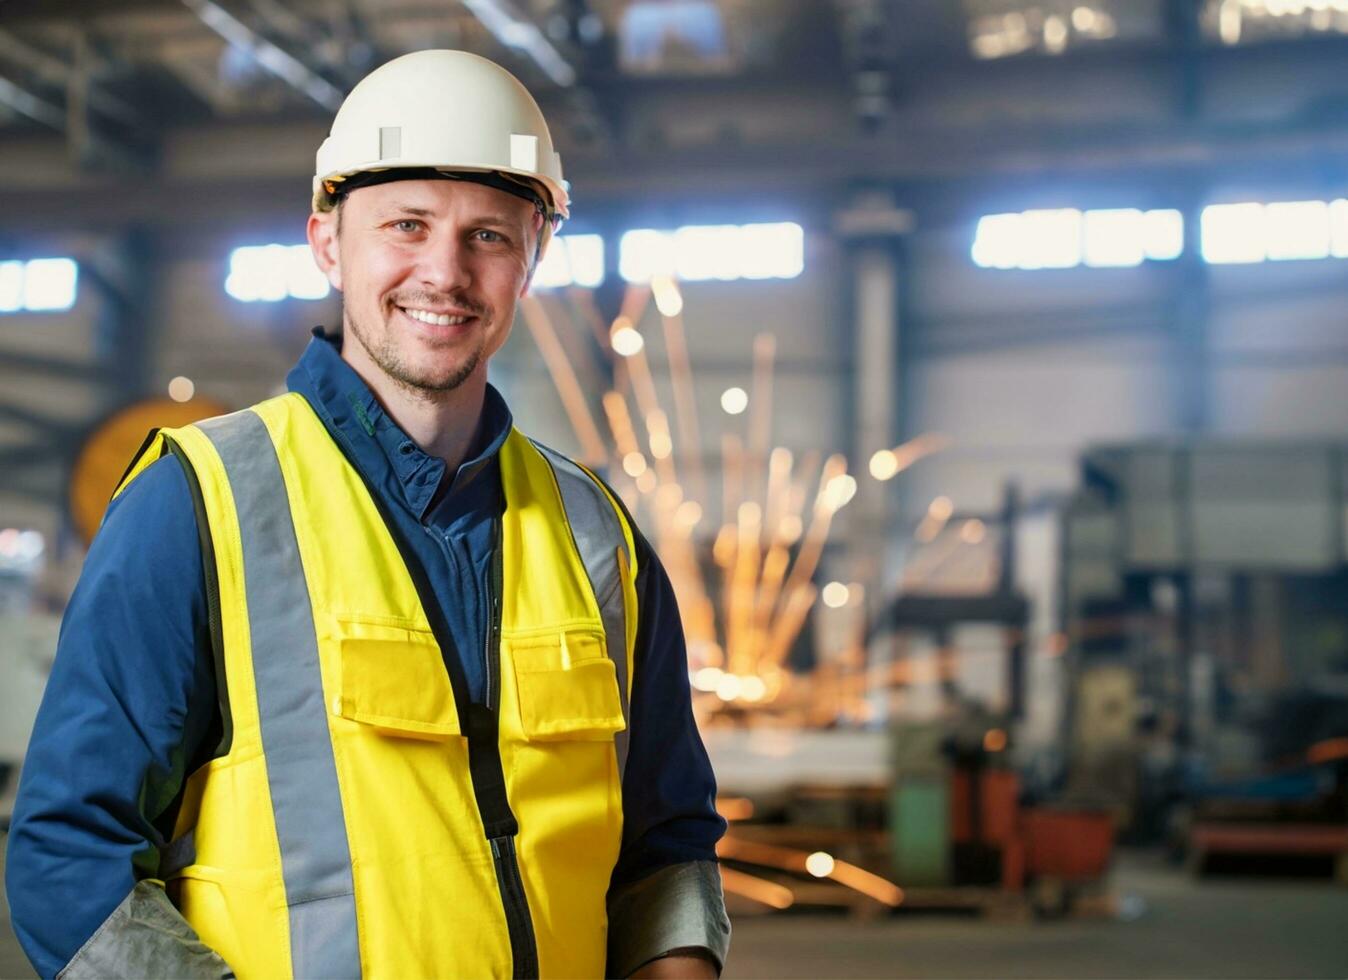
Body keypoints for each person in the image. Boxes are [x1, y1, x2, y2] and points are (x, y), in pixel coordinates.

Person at [5, 49, 729, 980]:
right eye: (407, 224)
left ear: (534, 257)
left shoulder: (598, 536)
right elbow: (70, 854)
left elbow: (667, 845)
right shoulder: (196, 505)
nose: (446, 272)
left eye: (490, 236)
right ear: (327, 242)